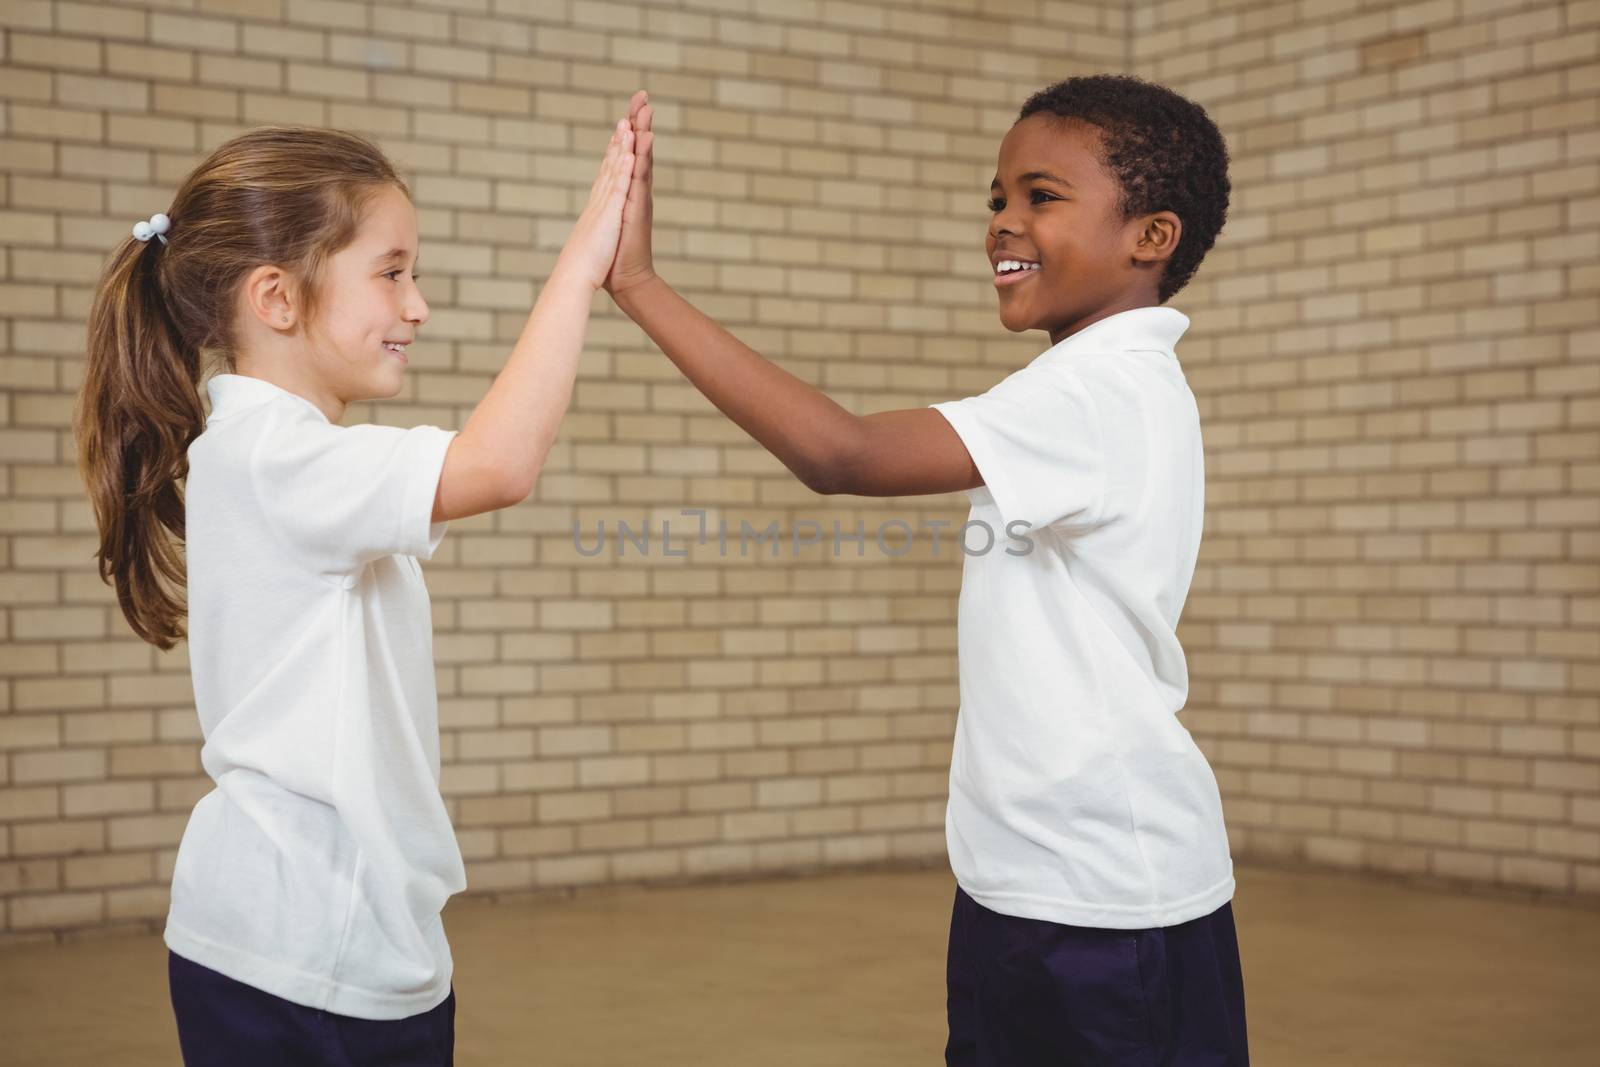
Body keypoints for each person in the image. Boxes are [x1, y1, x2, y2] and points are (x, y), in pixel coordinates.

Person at [604, 76, 1248, 1064]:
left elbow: (842, 453)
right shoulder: (1084, 383)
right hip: (1028, 882)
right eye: (996, 198)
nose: (1002, 223)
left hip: (1101, 900)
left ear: (1149, 237)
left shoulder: (1100, 388)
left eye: (1041, 195)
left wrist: (640, 283)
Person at [75, 114, 636, 1065]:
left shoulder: (291, 457)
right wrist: (582, 265)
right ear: (277, 298)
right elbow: (499, 463)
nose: (417, 307)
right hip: (298, 955)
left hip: (344, 943)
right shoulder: (268, 455)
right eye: (391, 271)